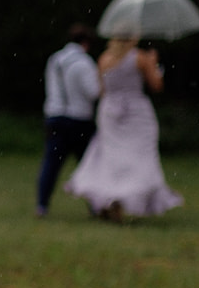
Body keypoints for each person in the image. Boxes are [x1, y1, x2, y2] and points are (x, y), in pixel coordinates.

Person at [64, 36, 184, 221]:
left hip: (110, 112)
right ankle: (120, 200)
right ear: (133, 36)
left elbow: (102, 90)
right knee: (139, 157)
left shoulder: (104, 59)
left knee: (110, 159)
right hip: (136, 114)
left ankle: (109, 201)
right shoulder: (140, 58)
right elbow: (156, 85)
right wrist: (154, 63)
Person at [36, 22, 100, 217]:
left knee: (51, 164)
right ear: (86, 43)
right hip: (78, 119)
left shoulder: (55, 59)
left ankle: (42, 205)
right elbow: (93, 92)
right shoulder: (84, 63)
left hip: (55, 117)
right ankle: (95, 205)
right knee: (89, 165)